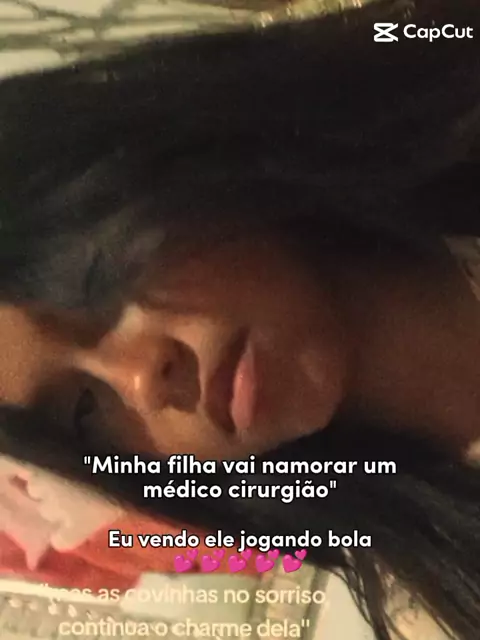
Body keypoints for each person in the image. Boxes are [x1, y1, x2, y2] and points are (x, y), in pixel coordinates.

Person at [1, 0, 480, 637]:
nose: (141, 380)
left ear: (127, 166)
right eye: (84, 413)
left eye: (94, 284)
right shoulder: (439, 598)